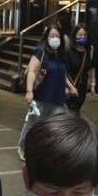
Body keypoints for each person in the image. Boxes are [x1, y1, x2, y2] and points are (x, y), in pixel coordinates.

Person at [18, 24, 78, 159]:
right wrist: (29, 91)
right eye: (52, 36)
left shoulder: (61, 54)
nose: (55, 39)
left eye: (57, 36)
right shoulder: (40, 51)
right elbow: (32, 71)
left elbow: (63, 74)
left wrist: (71, 86)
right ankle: (23, 147)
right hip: (40, 96)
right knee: (32, 123)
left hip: (57, 97)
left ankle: (47, 148)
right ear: (46, 37)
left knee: (54, 125)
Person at [65, 23, 95, 114]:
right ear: (75, 35)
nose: (83, 37)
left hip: (82, 87)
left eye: (85, 35)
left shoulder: (90, 50)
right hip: (69, 85)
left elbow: (92, 68)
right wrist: (70, 87)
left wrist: (93, 85)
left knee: (75, 110)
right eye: (80, 35)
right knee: (74, 113)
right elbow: (63, 71)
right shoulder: (69, 51)